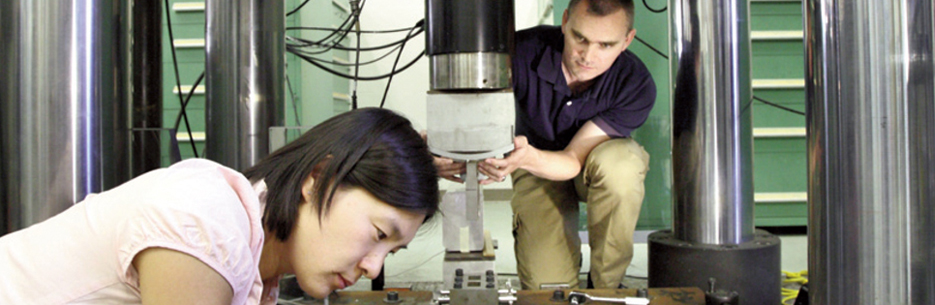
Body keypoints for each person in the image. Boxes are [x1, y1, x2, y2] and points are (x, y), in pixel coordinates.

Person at [0, 108, 439, 304]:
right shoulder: (207, 221)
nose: (374, 268)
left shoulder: (252, 266)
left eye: (391, 252)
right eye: (380, 235)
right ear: (317, 178)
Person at [434, 0, 655, 290]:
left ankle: (607, 287)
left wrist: (523, 156)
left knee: (622, 166)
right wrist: (445, 148)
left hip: (590, 165)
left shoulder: (634, 84)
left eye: (606, 45)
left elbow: (574, 160)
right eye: (580, 38)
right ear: (565, 22)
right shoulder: (522, 51)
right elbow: (471, 108)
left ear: (627, 40)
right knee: (548, 289)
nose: (588, 56)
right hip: (534, 164)